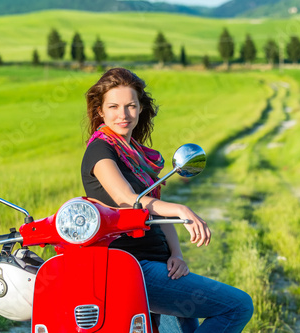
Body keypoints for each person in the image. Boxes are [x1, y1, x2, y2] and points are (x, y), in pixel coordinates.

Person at [81, 67, 254, 332]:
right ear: (101, 111)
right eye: (114, 106)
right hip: (131, 266)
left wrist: (176, 253)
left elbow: (154, 210)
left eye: (130, 106)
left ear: (140, 108)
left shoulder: (136, 153)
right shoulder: (100, 150)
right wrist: (180, 209)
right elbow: (127, 199)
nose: (123, 114)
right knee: (238, 306)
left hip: (161, 264)